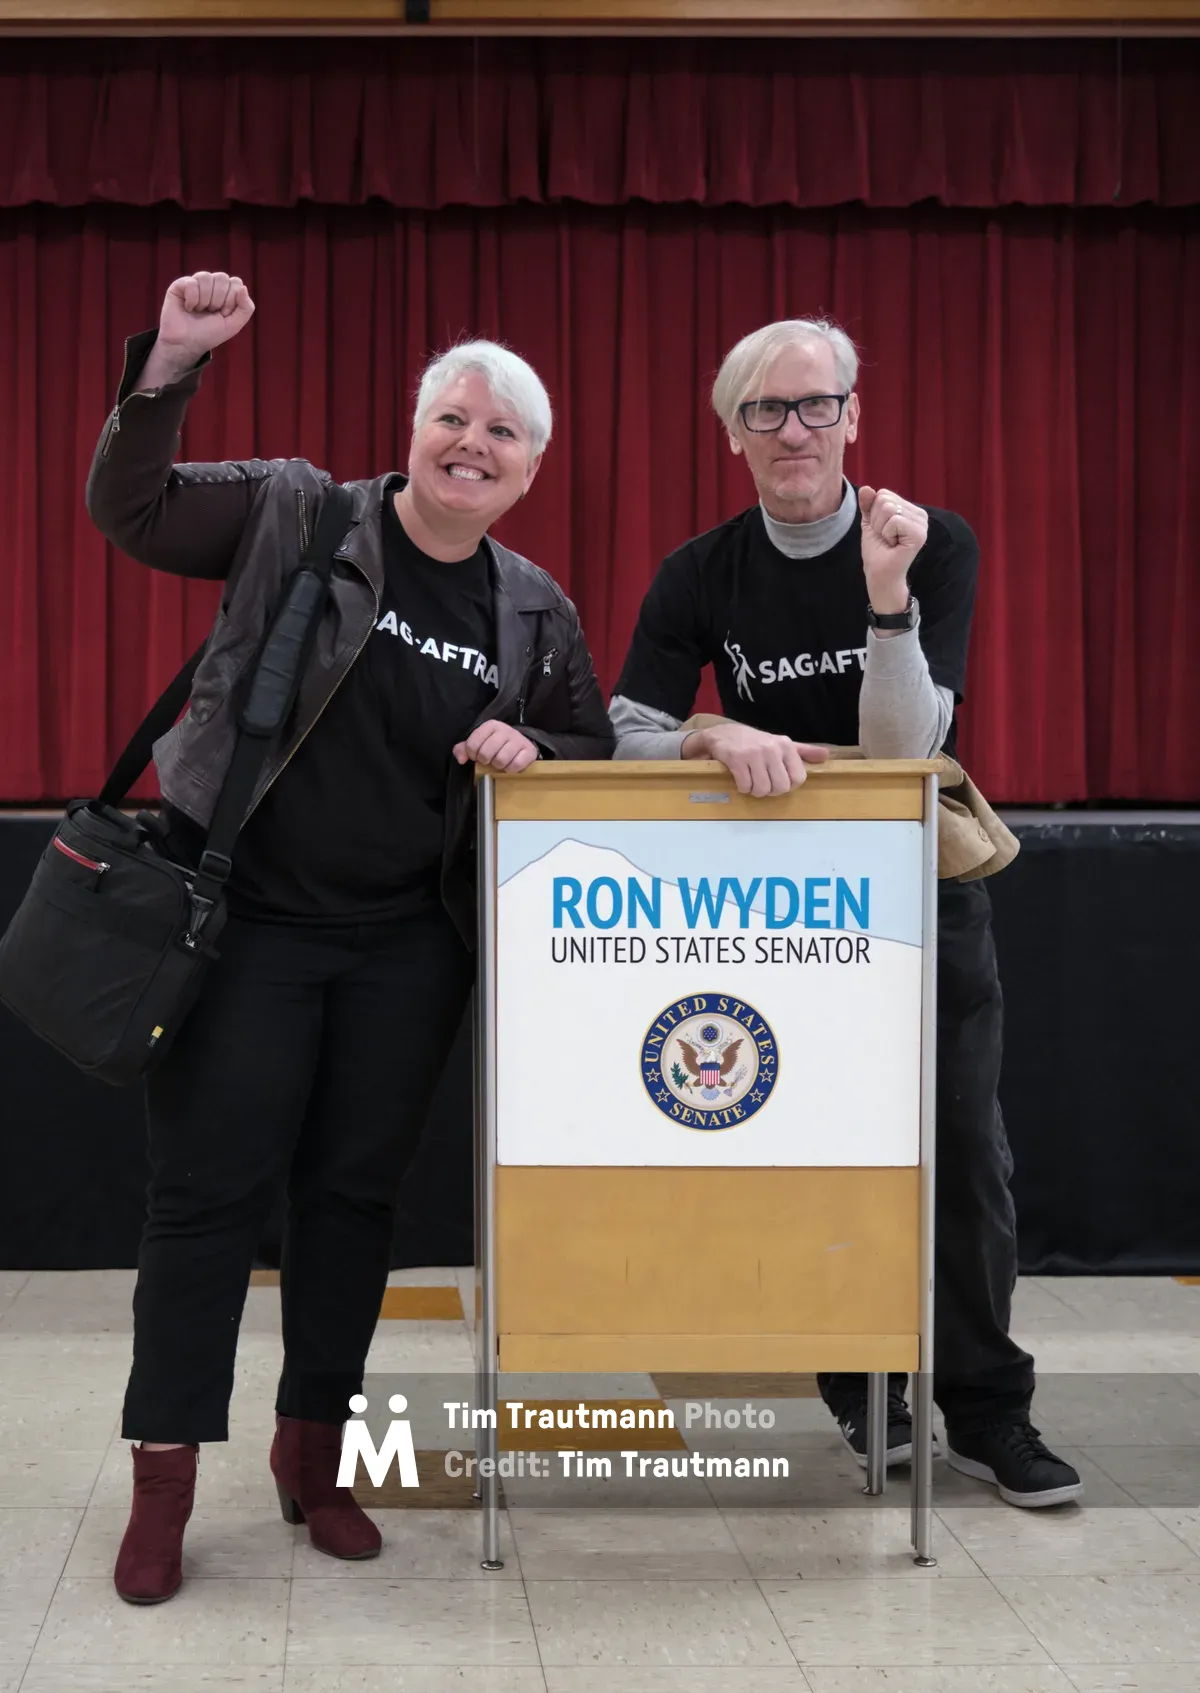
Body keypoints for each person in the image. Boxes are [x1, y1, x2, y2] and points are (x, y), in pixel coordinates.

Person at [87, 271, 613, 1603]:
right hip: (243, 923)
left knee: (351, 1206)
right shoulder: (297, 511)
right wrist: (171, 367)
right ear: (418, 422)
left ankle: (315, 1457)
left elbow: (589, 743)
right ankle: (164, 1486)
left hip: (404, 950)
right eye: (455, 415)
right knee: (205, 1204)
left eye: (502, 433)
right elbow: (131, 509)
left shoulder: (533, 608)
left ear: (531, 467)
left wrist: (532, 741)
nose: (472, 444)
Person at [609, 316, 1082, 1509]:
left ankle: (989, 1409)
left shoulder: (929, 545)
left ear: (854, 415)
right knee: (818, 1152)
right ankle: (864, 1390)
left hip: (924, 898)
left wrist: (885, 599)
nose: (795, 430)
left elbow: (905, 749)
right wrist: (714, 732)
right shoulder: (699, 572)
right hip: (781, 912)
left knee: (964, 1156)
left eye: (816, 405)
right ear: (732, 436)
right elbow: (622, 729)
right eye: (765, 412)